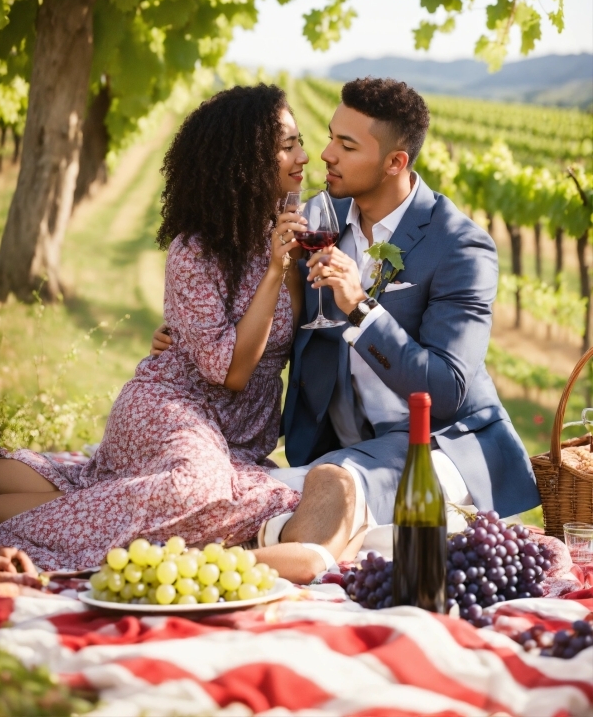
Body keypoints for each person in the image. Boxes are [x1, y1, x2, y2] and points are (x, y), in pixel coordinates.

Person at [0, 84, 360, 582]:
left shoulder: (295, 234)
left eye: (300, 141)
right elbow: (230, 373)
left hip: (233, 438)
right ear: (246, 159)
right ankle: (21, 535)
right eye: (286, 145)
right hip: (170, 406)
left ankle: (92, 498)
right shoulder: (196, 251)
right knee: (197, 491)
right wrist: (275, 273)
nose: (304, 156)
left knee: (159, 490)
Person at [154, 77, 540, 540]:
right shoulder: (315, 220)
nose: (326, 154)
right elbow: (243, 293)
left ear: (395, 162)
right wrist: (186, 333)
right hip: (343, 451)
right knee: (225, 492)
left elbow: (447, 388)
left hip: (438, 446)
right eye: (331, 136)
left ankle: (266, 570)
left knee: (314, 493)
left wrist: (360, 308)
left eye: (347, 145)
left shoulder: (460, 247)